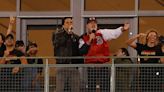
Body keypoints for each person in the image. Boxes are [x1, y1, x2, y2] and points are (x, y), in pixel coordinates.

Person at [79, 17, 130, 92]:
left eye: (94, 23)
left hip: (103, 65)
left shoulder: (102, 33)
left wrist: (123, 29)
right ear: (87, 26)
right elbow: (81, 51)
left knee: (105, 87)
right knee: (91, 88)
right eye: (91, 23)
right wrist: (89, 40)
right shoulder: (83, 38)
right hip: (91, 67)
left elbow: (114, 33)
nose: (93, 24)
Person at [52, 17, 82, 92]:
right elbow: (56, 44)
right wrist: (67, 34)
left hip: (73, 66)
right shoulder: (57, 34)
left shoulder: (76, 37)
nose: (69, 24)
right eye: (67, 22)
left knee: (75, 88)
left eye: (71, 22)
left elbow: (79, 50)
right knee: (60, 88)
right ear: (63, 25)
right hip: (62, 65)